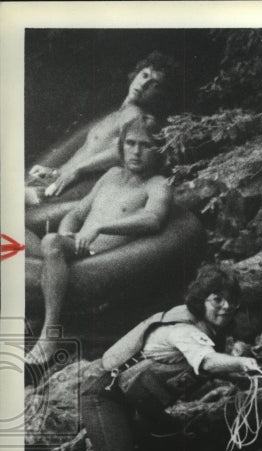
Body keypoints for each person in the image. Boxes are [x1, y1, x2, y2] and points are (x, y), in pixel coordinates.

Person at [80, 268, 259, 451]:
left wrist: (242, 377)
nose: (226, 306)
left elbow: (201, 365)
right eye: (217, 299)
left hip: (136, 402)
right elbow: (206, 361)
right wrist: (242, 363)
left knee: (179, 443)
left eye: (232, 301)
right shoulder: (183, 330)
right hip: (104, 395)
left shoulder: (208, 330)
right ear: (200, 300)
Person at [25, 115, 172, 368]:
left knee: (51, 242)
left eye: (145, 145)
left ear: (158, 149)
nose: (136, 151)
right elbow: (77, 213)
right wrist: (67, 233)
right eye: (131, 143)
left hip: (100, 258)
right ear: (122, 145)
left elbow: (153, 219)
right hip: (74, 248)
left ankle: (49, 336)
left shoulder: (158, 184)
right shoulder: (112, 174)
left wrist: (100, 227)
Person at [25, 51, 177, 207]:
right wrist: (55, 171)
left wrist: (76, 170)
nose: (144, 85)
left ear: (161, 95)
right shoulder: (119, 113)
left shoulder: (136, 116)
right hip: (62, 181)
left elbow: (123, 152)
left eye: (154, 85)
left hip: (75, 190)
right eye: (144, 76)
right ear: (136, 74)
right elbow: (89, 151)